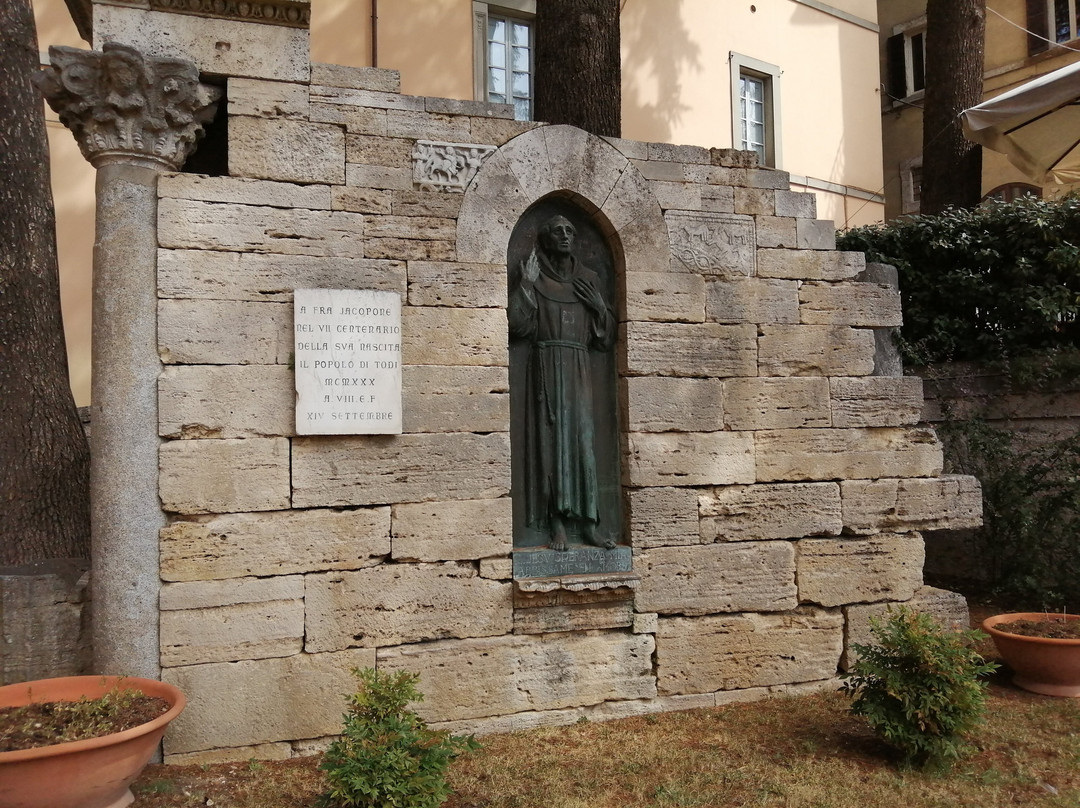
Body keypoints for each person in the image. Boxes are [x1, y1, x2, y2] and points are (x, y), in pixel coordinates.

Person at [508, 215, 616, 551]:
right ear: (546, 239)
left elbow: (605, 339)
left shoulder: (590, 279)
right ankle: (555, 523)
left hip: (579, 369)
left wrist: (600, 308)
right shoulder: (535, 277)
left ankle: (589, 524)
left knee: (583, 444)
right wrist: (525, 285)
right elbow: (517, 328)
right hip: (546, 369)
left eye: (571, 230)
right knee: (549, 443)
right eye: (558, 231)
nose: (565, 236)